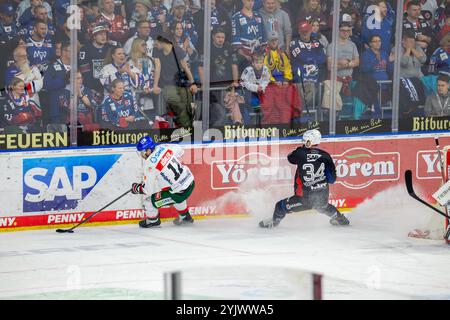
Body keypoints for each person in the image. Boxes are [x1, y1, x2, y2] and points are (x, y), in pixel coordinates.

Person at [259, 129, 350, 228]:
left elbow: (290, 158)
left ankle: (273, 223)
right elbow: (332, 179)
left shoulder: (300, 153)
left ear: (308, 141)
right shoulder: (326, 156)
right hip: (322, 197)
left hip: (304, 199)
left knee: (280, 206)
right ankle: (341, 219)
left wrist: (302, 150)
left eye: (304, 140)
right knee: (322, 207)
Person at [131, 135, 196, 228]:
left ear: (149, 150)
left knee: (148, 201)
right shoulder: (163, 147)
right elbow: (180, 150)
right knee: (174, 192)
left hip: (179, 192)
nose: (141, 155)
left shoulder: (149, 164)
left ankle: (153, 221)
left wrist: (137, 188)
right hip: (190, 182)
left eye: (142, 152)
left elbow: (148, 190)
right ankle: (185, 217)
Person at [152, 34, 198, 128]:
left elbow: (185, 67)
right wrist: (155, 85)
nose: (155, 45)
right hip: (164, 84)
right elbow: (158, 67)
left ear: (163, 42)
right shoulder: (156, 49)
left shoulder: (177, 50)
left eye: (156, 43)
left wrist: (193, 83)